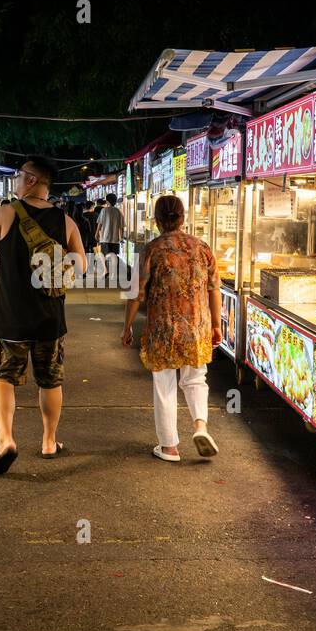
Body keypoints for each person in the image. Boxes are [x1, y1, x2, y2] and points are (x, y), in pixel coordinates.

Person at [0, 156, 87, 473]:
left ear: (32, 179)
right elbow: (82, 267)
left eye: (20, 175)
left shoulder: (6, 213)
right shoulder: (66, 221)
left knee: (4, 377)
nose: (16, 180)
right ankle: (49, 442)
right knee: (49, 380)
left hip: (11, 317)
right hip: (50, 317)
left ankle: (6, 440)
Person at [121, 194, 221, 462]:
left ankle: (169, 447)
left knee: (164, 384)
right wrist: (216, 323)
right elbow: (214, 289)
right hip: (196, 327)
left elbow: (135, 294)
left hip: (162, 329)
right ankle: (200, 426)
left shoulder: (152, 250)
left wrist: (127, 327)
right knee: (196, 378)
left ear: (156, 220)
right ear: (183, 217)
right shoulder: (201, 248)